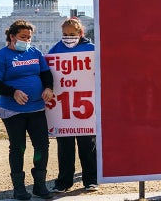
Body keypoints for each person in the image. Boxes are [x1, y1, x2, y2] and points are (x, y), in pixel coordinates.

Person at [0, 20, 54, 200]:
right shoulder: (1, 56)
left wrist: (48, 87)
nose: (27, 40)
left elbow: (45, 73)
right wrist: (13, 92)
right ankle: (19, 188)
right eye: (23, 37)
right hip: (13, 110)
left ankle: (40, 184)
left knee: (42, 146)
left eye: (29, 37)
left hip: (36, 108)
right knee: (18, 147)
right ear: (12, 36)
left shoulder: (35, 52)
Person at [48, 18, 99, 193]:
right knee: (64, 148)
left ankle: (91, 180)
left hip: (85, 106)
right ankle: (63, 182)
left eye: (71, 34)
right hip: (64, 109)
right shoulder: (55, 50)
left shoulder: (92, 50)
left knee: (88, 147)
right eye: (65, 34)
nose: (68, 37)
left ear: (80, 34)